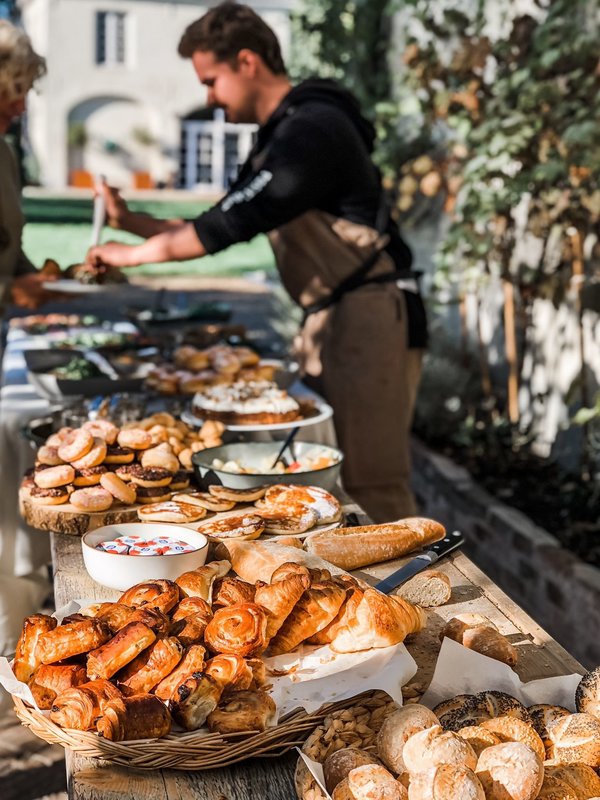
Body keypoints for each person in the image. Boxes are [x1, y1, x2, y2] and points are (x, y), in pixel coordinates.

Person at [87, 1, 428, 522]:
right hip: (332, 318)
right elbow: (222, 218)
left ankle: (408, 591)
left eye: (211, 80)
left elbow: (223, 228)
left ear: (247, 62)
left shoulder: (313, 128)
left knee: (373, 478)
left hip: (371, 315)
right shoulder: (280, 134)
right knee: (327, 477)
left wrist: (130, 256)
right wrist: (130, 222)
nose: (208, 97)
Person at [0, 19, 60, 312]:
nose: (20, 107)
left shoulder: (4, 154)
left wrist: (36, 280)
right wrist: (9, 290)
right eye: (9, 91)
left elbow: (5, 241)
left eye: (24, 91)